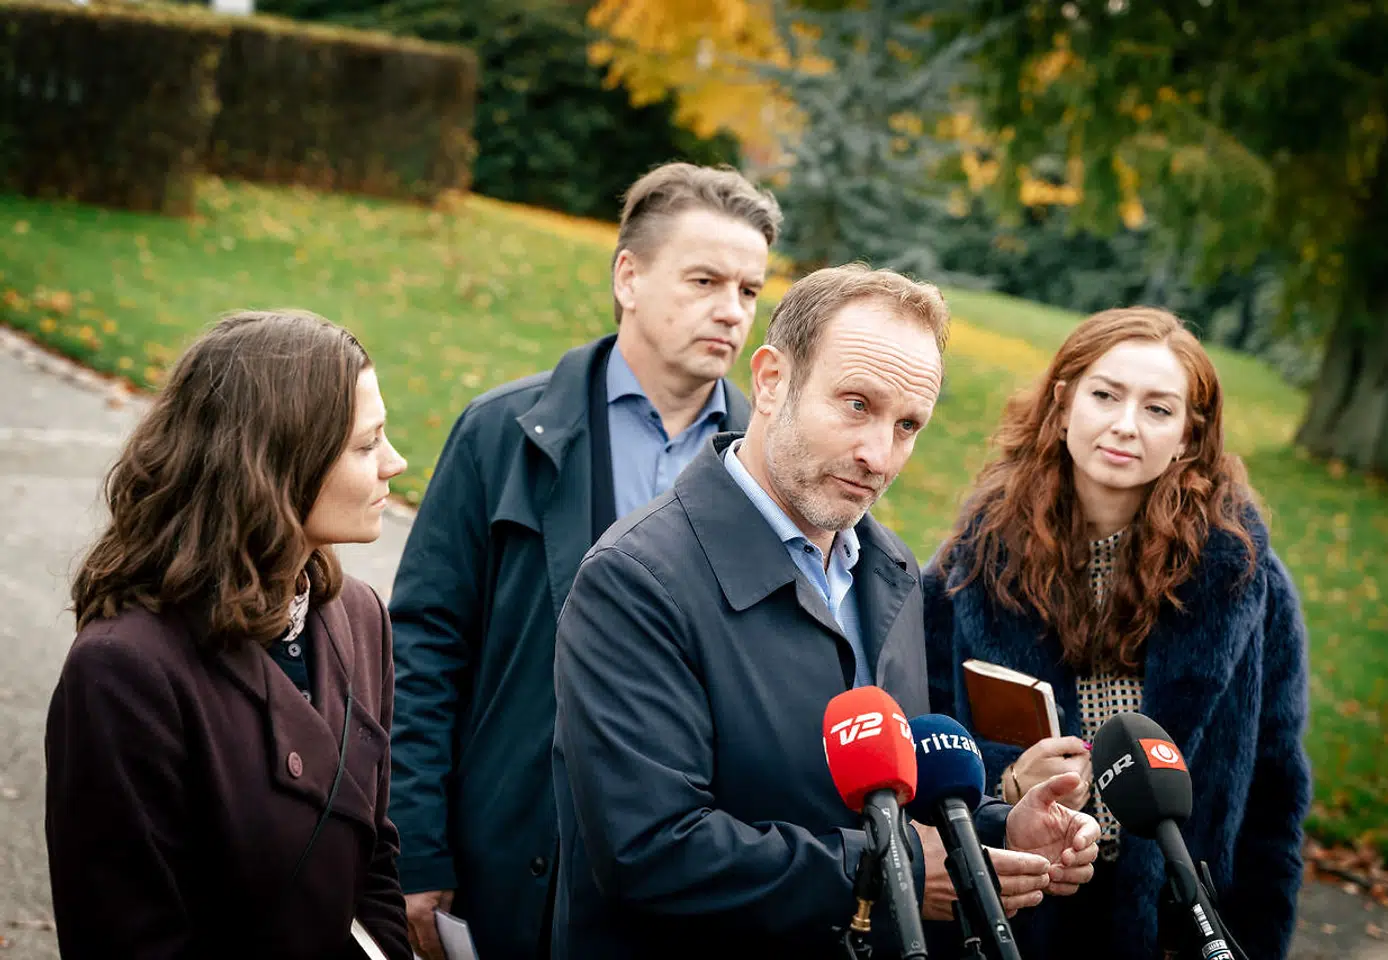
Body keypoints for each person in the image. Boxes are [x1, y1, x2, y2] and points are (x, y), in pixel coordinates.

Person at [551, 264, 1101, 960]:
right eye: (855, 405)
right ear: (773, 382)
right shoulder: (634, 580)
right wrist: (886, 869)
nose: (878, 454)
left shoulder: (892, 569)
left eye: (907, 425)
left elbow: (885, 793)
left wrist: (994, 831)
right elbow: (649, 849)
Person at [387, 162, 781, 958]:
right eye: (705, 280)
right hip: (506, 855)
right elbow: (424, 649)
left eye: (748, 290)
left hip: (678, 885)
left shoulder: (766, 466)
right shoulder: (503, 434)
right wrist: (415, 847)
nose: (731, 312)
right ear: (628, 277)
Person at [924, 306, 1311, 959]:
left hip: (1178, 920)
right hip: (1025, 912)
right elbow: (932, 738)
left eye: (1159, 410)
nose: (1125, 426)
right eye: (1105, 395)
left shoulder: (1247, 580)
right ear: (1063, 401)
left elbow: (1276, 787)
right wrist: (1010, 781)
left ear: (1188, 437)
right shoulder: (972, 567)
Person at [45, 310, 411, 958]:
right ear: (275, 464)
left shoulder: (358, 616)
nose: (395, 463)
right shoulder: (125, 671)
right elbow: (126, 935)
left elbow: (373, 859)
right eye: (365, 445)